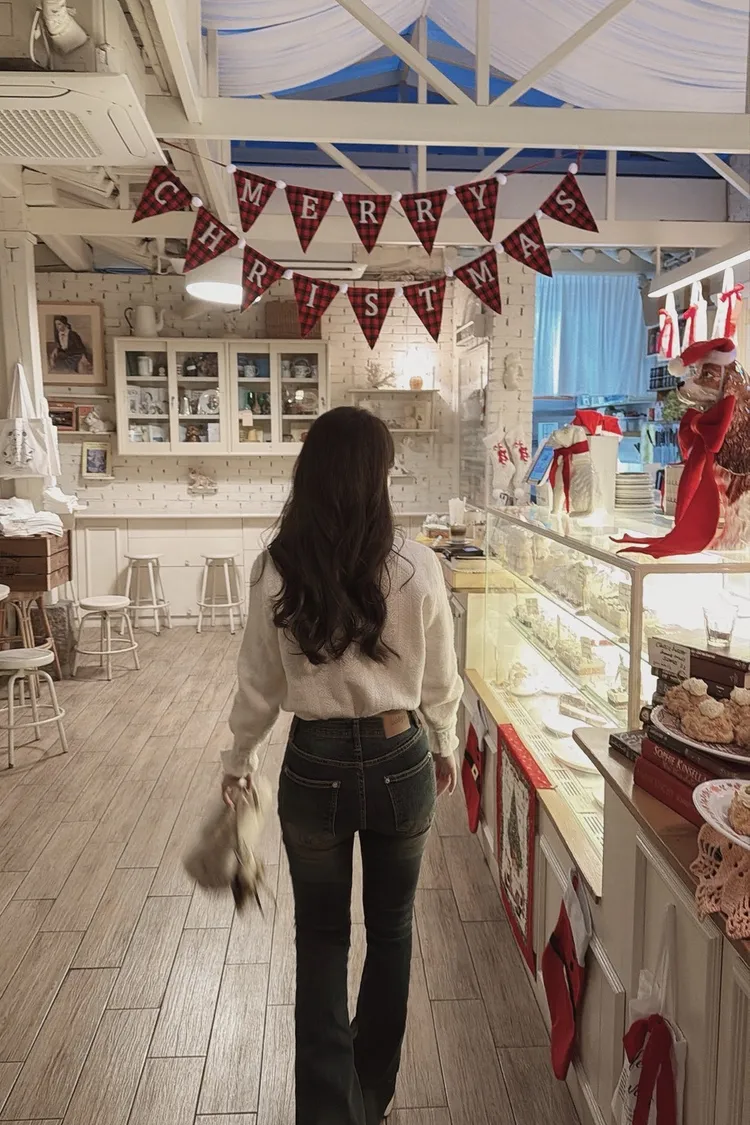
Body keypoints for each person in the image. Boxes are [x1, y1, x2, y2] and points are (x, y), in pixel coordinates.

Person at [222, 406, 462, 1125]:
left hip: (314, 763)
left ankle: (331, 1112)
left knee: (322, 938)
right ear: (376, 477)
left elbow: (258, 684)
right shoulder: (418, 565)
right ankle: (372, 1094)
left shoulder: (277, 567)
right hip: (400, 755)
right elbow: (441, 680)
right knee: (392, 930)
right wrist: (445, 743)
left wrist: (239, 759)